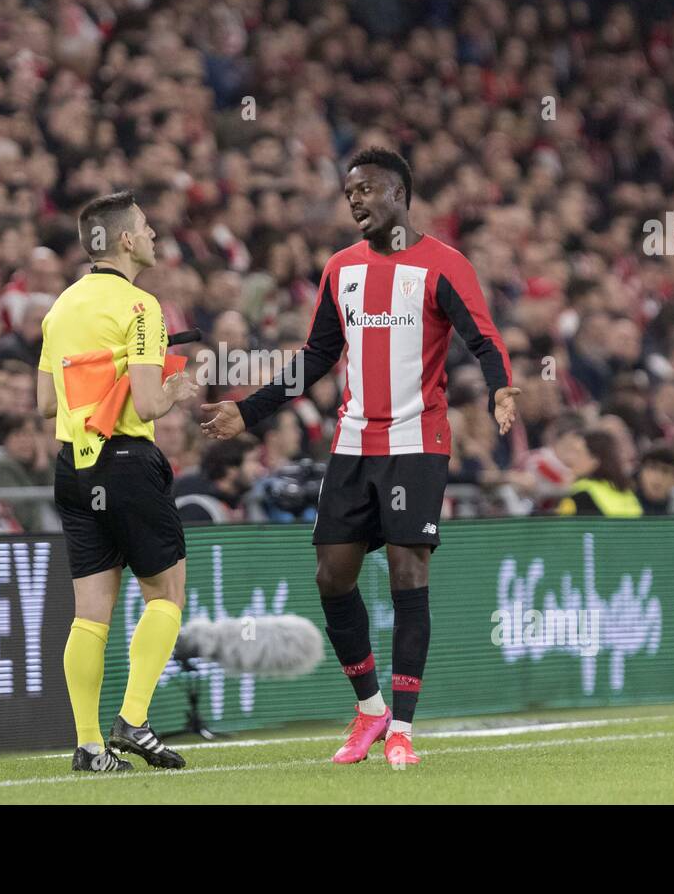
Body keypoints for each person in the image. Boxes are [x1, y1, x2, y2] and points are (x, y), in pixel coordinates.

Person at [201, 148, 518, 766]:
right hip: (352, 443)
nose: (355, 201)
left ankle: (403, 726)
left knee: (407, 574)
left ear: (399, 194)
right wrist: (249, 410)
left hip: (415, 442)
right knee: (332, 575)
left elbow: (484, 337)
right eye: (349, 193)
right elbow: (315, 358)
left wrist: (501, 385)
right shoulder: (341, 269)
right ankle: (370, 711)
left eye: (366, 190)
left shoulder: (442, 265)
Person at [39, 190, 198, 773]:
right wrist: (178, 389)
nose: (155, 236)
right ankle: (132, 720)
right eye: (148, 228)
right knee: (167, 594)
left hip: (73, 467)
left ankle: (87, 746)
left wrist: (103, 381)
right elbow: (152, 402)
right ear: (125, 240)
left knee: (89, 615)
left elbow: (42, 399)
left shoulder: (59, 308)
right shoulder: (141, 307)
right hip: (127, 463)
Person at [556, 430, 644, 517]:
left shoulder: (578, 495)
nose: (570, 459)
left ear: (595, 460)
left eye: (578, 452)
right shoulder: (628, 492)